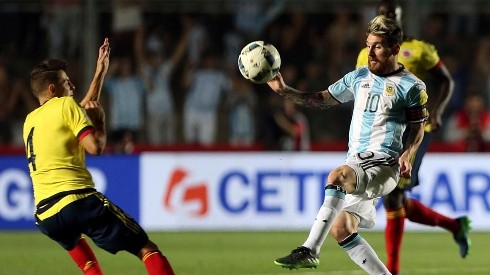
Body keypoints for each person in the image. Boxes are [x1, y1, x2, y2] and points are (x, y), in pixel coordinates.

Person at [269, 15, 427, 274]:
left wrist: (408, 154)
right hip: (358, 161)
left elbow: (418, 126)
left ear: (395, 49)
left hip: (384, 164)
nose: (370, 53)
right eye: (368, 45)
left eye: (377, 46)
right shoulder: (358, 77)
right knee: (341, 227)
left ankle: (309, 249)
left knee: (338, 176)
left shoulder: (411, 86)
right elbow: (321, 99)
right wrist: (285, 90)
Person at [23, 39, 175, 275]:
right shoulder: (65, 105)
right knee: (146, 248)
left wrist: (99, 72)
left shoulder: (30, 120)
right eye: (66, 81)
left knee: (88, 264)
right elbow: (95, 147)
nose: (72, 84)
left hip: (46, 215)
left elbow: (80, 110)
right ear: (53, 89)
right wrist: (101, 123)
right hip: (76, 200)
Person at [355, 2, 470, 274]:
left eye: (392, 16)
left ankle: (392, 270)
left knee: (393, 194)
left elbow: (446, 81)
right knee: (397, 200)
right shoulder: (365, 54)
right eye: (383, 17)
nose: (388, 21)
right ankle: (455, 225)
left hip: (415, 130)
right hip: (384, 131)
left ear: (400, 19)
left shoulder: (419, 49)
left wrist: (437, 111)